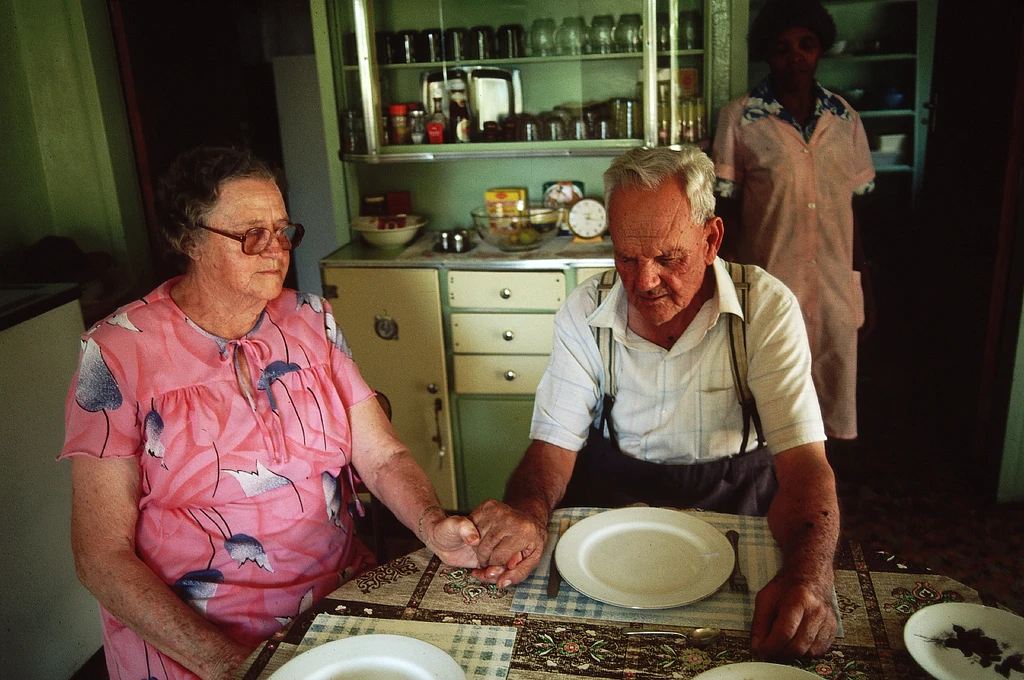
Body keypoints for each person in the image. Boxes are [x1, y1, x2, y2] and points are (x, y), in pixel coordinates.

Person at [60, 146, 481, 680]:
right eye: (251, 234)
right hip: (198, 645)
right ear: (187, 239)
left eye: (283, 231)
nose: (276, 249)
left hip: (335, 607)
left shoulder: (311, 319)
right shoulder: (118, 351)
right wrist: (231, 666)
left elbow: (382, 456)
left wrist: (432, 524)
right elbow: (101, 557)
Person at [469, 146, 840, 659]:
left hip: (737, 515)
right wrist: (528, 513)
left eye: (668, 258)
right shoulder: (585, 311)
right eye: (626, 257)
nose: (644, 282)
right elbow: (551, 447)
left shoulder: (765, 308)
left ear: (711, 240)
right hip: (612, 524)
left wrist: (808, 577)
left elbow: (804, 465)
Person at [711, 0, 875, 442]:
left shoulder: (845, 119)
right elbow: (725, 214)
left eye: (806, 44)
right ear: (767, 53)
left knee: (830, 400)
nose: (795, 56)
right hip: (770, 285)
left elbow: (856, 211)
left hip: (835, 286)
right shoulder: (739, 118)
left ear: (820, 48)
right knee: (771, 401)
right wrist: (727, 289)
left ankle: (820, 477)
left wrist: (864, 284)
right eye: (782, 47)